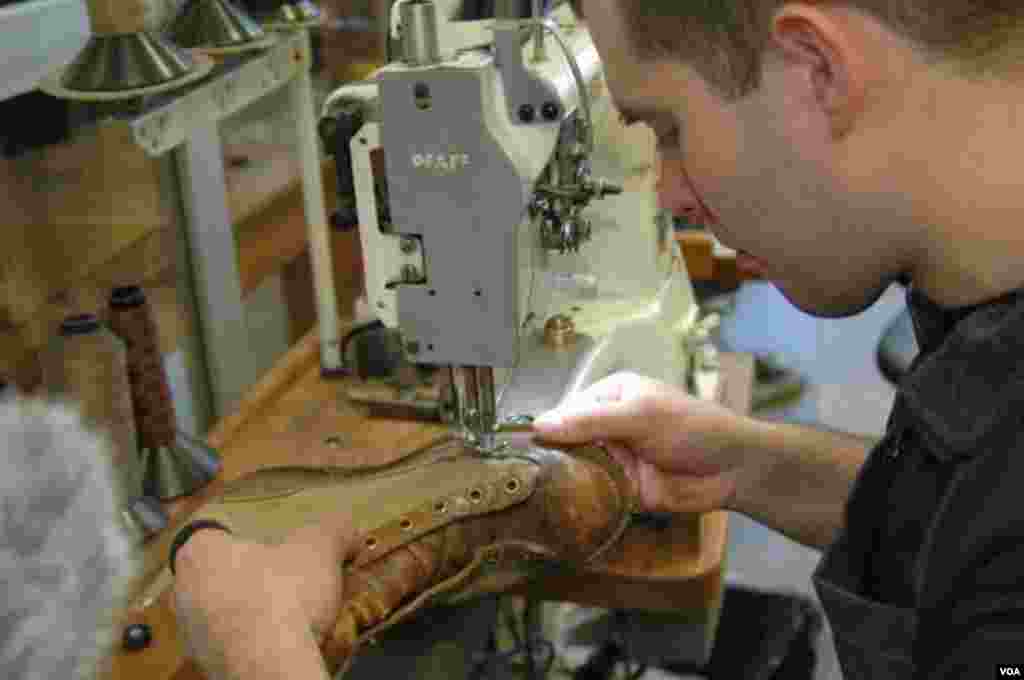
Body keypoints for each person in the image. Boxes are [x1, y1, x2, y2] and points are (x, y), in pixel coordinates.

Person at [532, 1, 1024, 678]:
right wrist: (741, 462)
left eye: (668, 129)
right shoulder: (981, 309)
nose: (669, 195)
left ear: (814, 70)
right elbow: (951, 518)